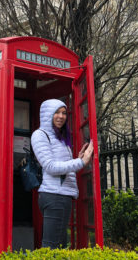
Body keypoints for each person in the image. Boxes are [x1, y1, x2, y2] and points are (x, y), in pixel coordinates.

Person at [31, 98, 94, 249]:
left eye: (64, 113)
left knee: (59, 246)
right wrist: (81, 162)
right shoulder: (40, 135)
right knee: (51, 247)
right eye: (56, 112)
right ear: (47, 114)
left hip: (62, 195)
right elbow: (50, 166)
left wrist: (78, 158)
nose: (61, 116)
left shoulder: (60, 138)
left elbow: (63, 165)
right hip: (54, 195)